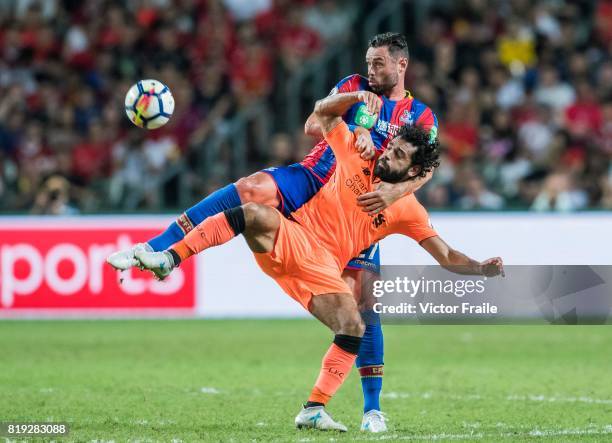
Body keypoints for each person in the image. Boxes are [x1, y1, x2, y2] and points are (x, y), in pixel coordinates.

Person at [108, 32, 438, 432]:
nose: (371, 70)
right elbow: (313, 121)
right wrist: (357, 127)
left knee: (364, 306)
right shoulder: (355, 87)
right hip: (317, 175)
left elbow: (427, 168)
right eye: (369, 62)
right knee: (249, 190)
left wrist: (394, 192)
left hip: (359, 209)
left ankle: (372, 409)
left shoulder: (420, 116)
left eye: (379, 64)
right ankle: (158, 248)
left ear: (401, 65)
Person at [132, 90, 504, 432]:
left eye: (399, 156)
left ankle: (314, 408)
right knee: (254, 212)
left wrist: (481, 269)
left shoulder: (407, 211)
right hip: (292, 239)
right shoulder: (357, 153)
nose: (388, 154)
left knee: (353, 324)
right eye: (392, 147)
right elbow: (322, 115)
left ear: (411, 173)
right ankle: (170, 257)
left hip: (322, 271)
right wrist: (355, 98)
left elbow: (446, 254)